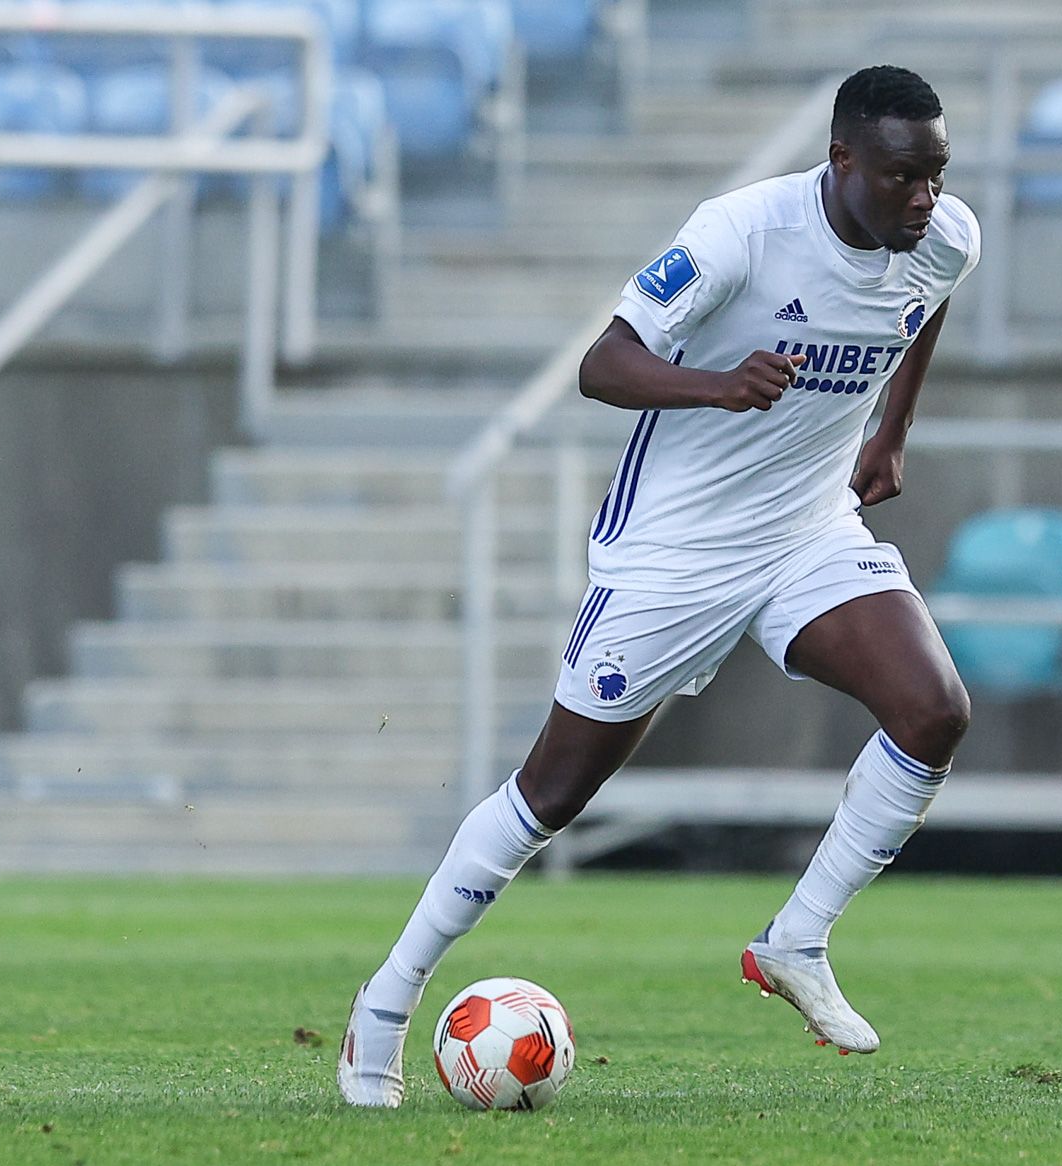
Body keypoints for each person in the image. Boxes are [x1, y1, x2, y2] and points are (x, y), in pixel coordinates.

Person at [339, 65, 981, 1106]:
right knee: (550, 795)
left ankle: (796, 940)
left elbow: (929, 299)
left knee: (933, 708)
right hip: (673, 552)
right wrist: (716, 385)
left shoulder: (944, 235)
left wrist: (891, 427)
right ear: (843, 162)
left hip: (807, 529)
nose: (925, 196)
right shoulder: (739, 234)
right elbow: (603, 364)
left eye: (937, 172)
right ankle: (387, 1000)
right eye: (904, 175)